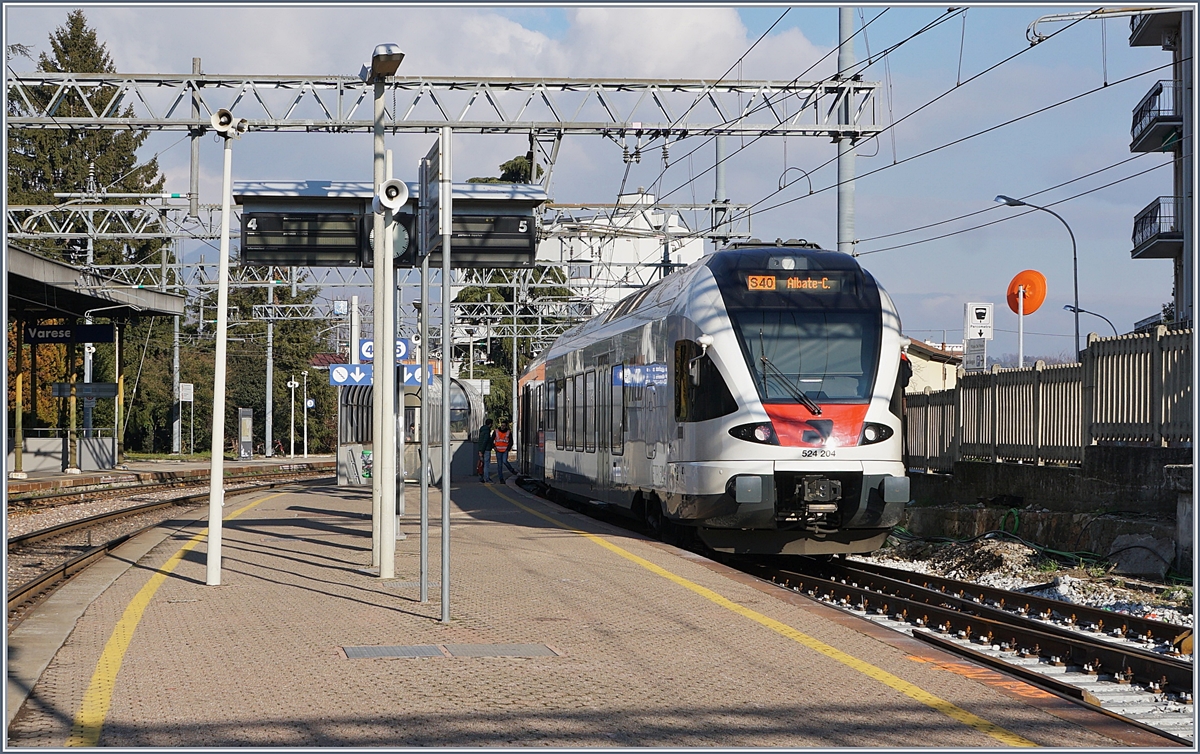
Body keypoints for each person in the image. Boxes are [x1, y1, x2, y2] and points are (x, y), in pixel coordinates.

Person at [477, 417, 495, 482]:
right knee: (486, 465)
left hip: (481, 449)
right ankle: (486, 478)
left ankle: (481, 477)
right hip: (486, 449)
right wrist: (482, 451)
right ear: (490, 424)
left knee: (481, 464)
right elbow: (485, 441)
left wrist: (480, 450)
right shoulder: (487, 432)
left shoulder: (482, 430)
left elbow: (481, 441)